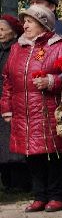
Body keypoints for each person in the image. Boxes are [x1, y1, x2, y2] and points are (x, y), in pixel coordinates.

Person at [0, 4, 62, 211]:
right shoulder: (17, 48)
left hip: (49, 110)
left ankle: (58, 196)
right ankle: (40, 196)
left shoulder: (61, 47)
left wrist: (52, 81)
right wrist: (6, 108)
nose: (25, 25)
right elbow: (7, 81)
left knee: (54, 155)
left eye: (30, 21)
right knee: (32, 155)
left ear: (43, 24)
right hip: (23, 112)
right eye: (24, 21)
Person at [0, 14, 27, 192]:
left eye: (3, 29)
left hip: (13, 100)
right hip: (2, 100)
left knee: (14, 142)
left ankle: (20, 182)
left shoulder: (17, 49)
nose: (0, 33)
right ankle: (7, 181)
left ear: (14, 32)